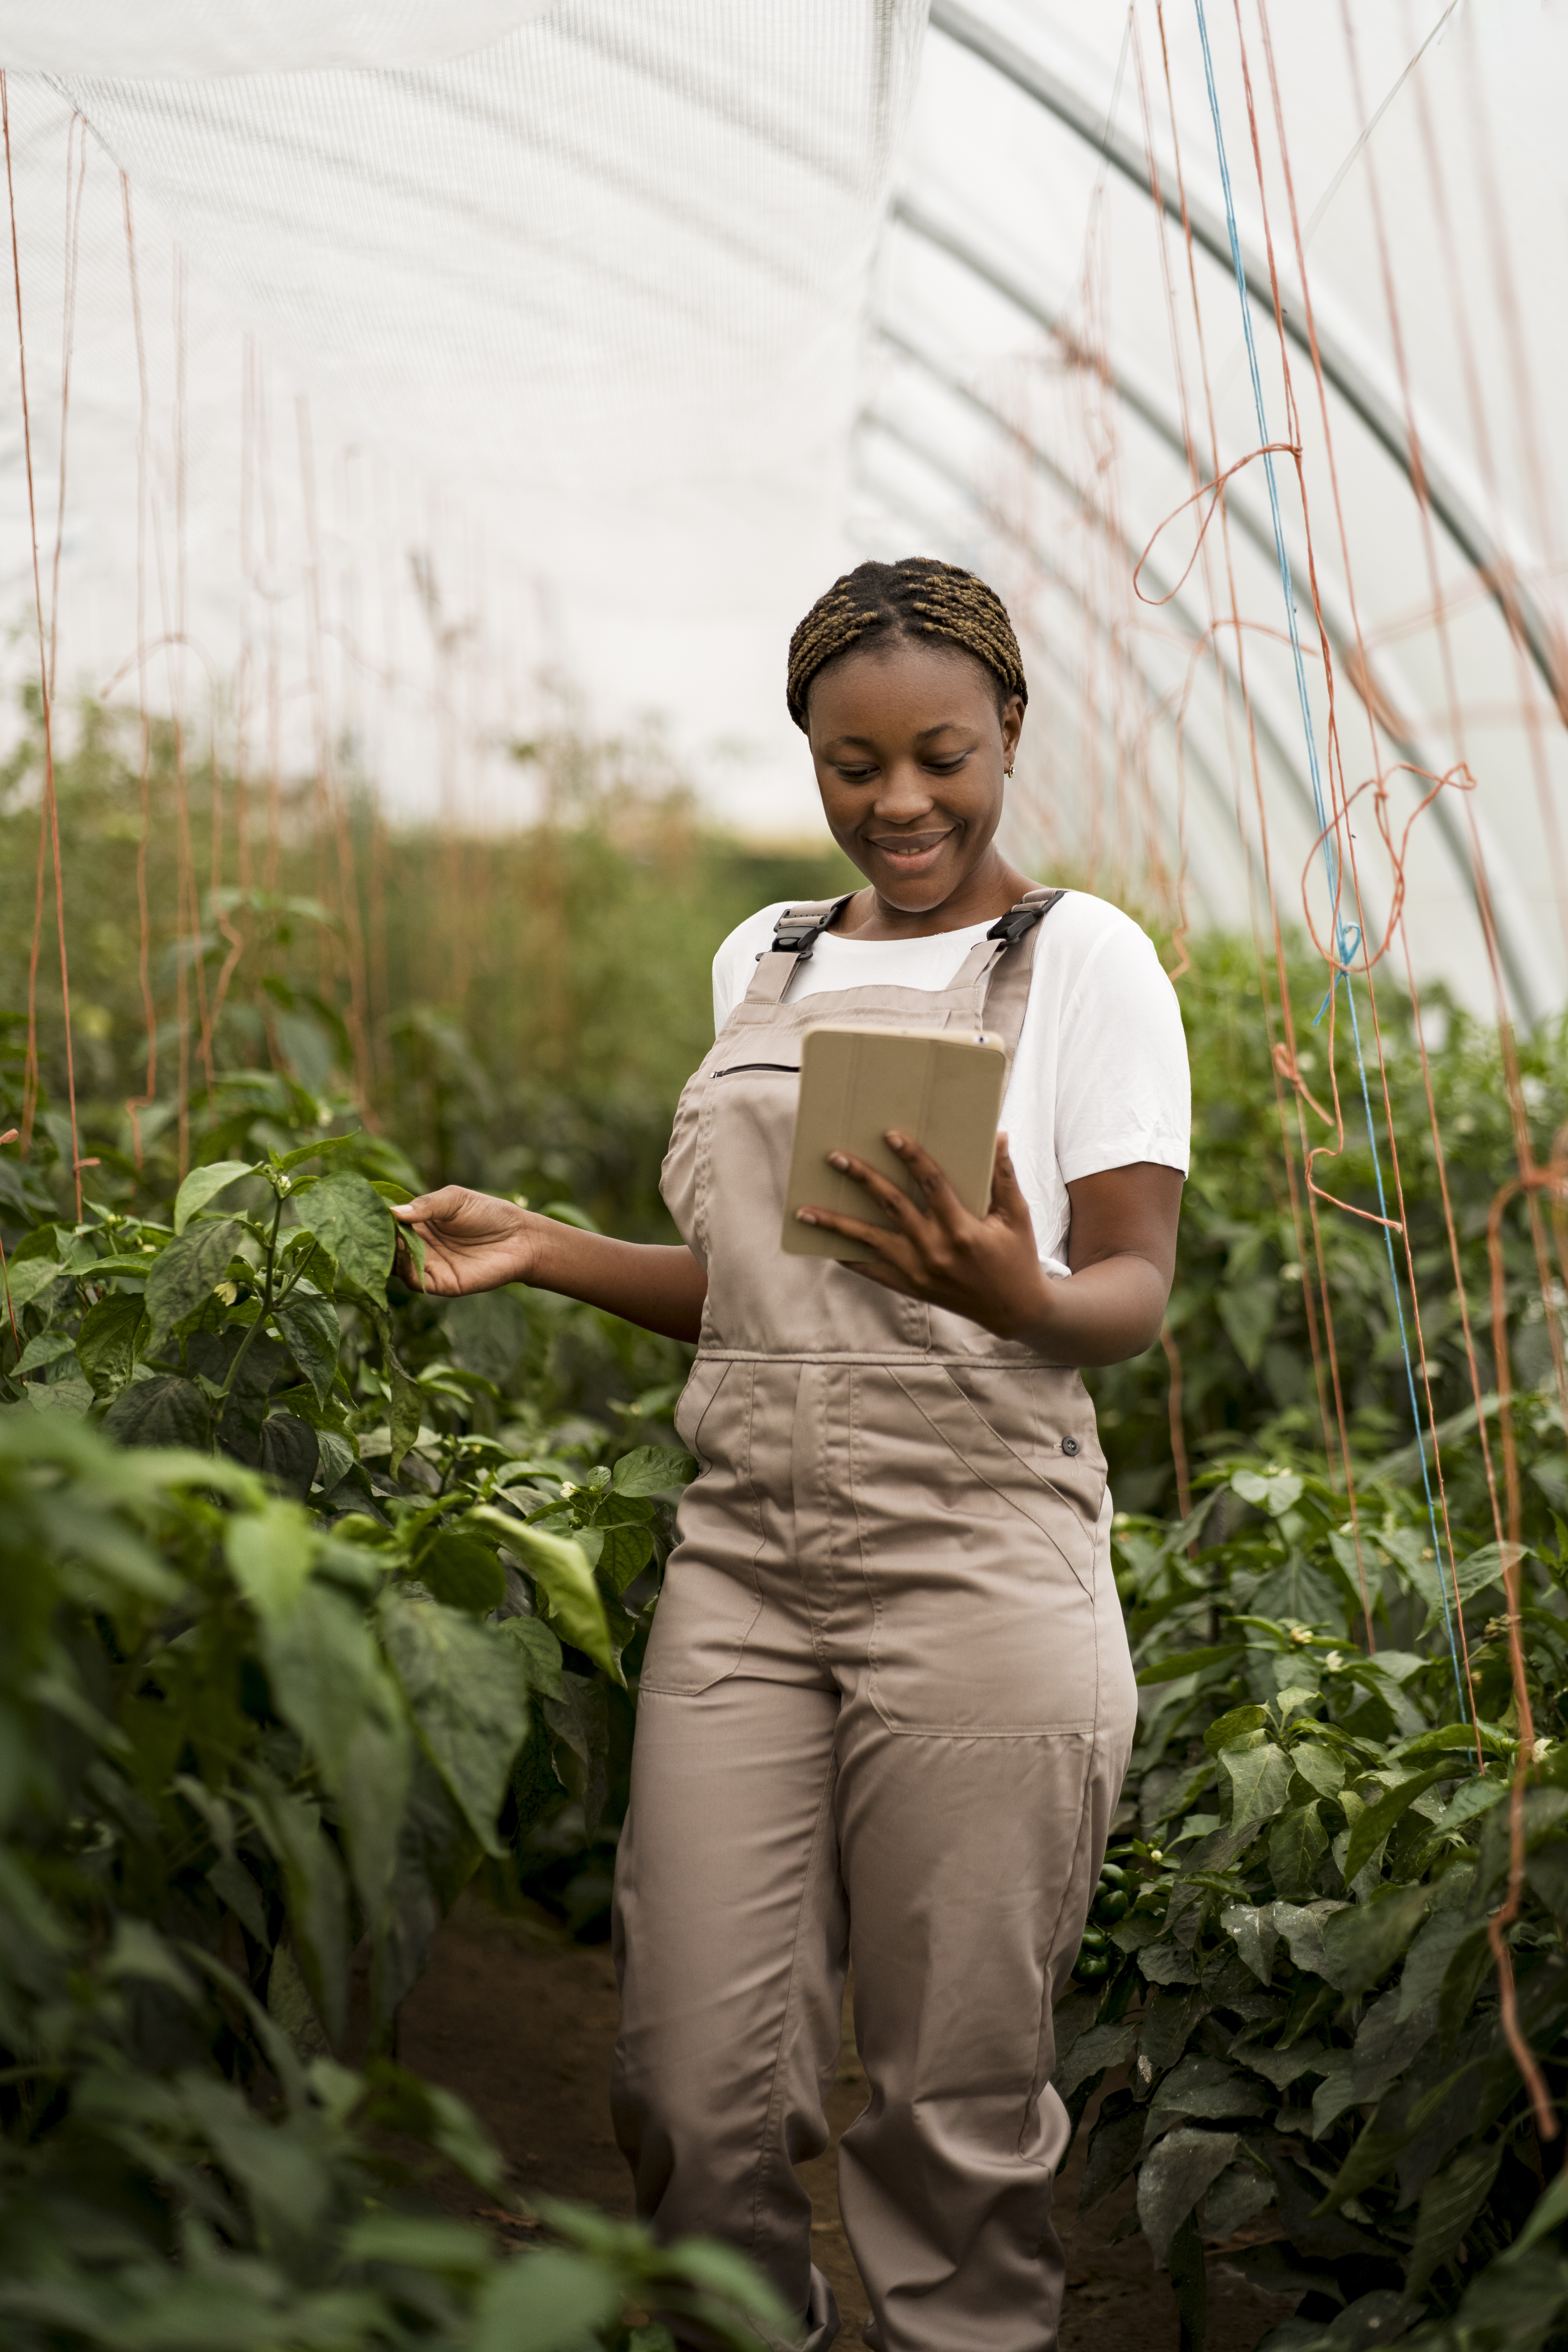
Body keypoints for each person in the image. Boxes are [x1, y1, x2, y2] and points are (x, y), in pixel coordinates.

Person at [393, 557, 1190, 2352]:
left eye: (940, 756)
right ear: (811, 760)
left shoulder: (1080, 962)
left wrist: (1017, 1289)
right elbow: (764, 1298)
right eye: (854, 765)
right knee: (688, 2082)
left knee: (948, 2107)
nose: (899, 801)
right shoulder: (762, 957)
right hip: (747, 1562)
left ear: (1006, 738)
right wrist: (545, 1242)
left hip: (981, 1557)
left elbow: (1131, 1290)